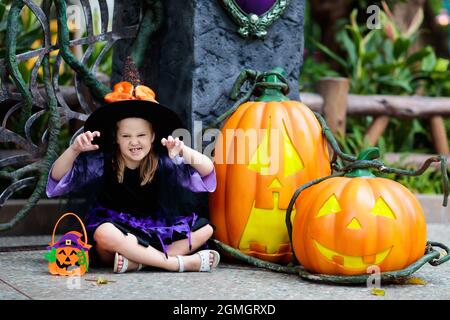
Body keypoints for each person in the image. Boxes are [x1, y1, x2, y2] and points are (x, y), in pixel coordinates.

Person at [46, 95, 220, 273]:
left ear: (152, 136)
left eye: (141, 135)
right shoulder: (102, 164)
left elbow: (206, 171)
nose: (134, 142)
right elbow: (58, 178)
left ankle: (140, 262)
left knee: (205, 229)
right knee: (104, 233)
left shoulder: (164, 162)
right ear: (116, 138)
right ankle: (175, 263)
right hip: (119, 235)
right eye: (126, 136)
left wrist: (184, 150)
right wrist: (74, 150)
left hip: (156, 230)